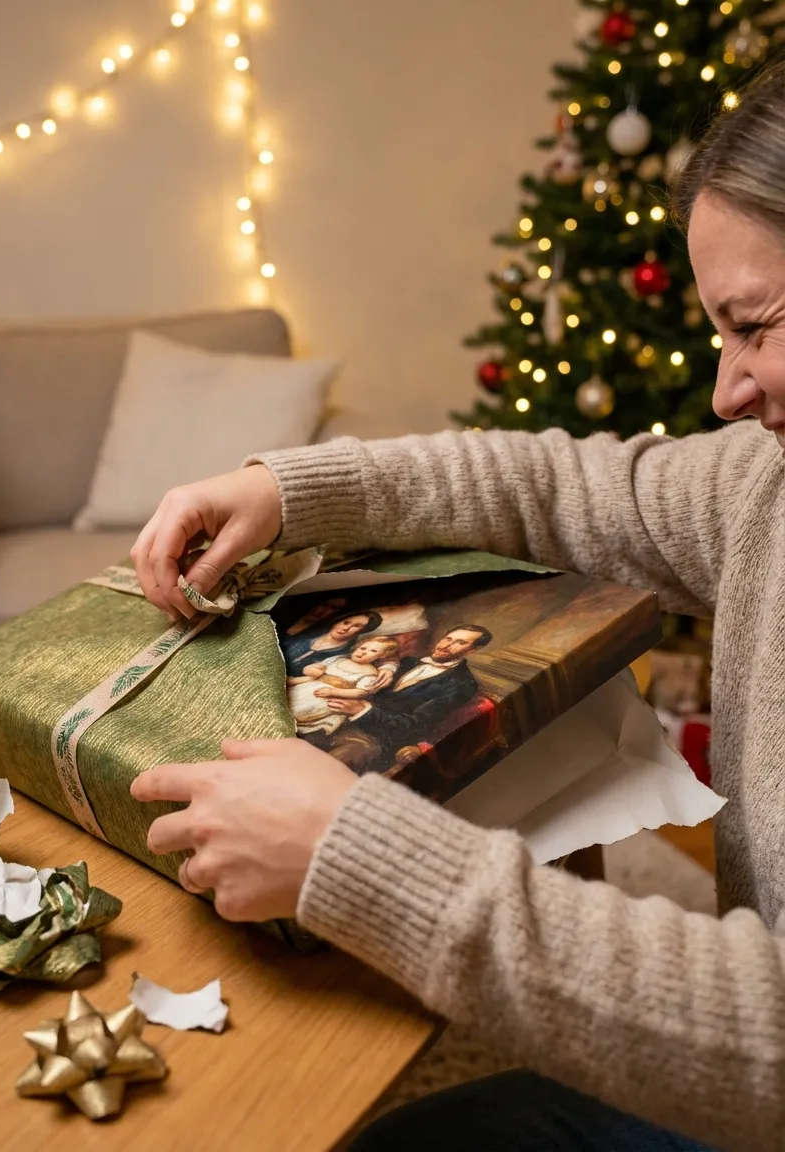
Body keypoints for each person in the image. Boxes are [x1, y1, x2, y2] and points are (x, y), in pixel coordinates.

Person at [128, 61, 785, 1152]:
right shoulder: (762, 483)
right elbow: (554, 485)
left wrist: (362, 859)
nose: (725, 390)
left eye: (755, 325)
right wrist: (290, 491)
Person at [317, 624, 490, 772]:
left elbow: (414, 725)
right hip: (340, 719)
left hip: (378, 740)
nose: (446, 645)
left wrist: (363, 711)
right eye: (448, 638)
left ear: (473, 649)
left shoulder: (463, 684)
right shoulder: (408, 661)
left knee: (339, 760)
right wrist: (389, 666)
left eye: (460, 643)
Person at [286, 634, 401, 737]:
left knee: (300, 709)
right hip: (309, 686)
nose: (363, 652)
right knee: (289, 696)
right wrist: (310, 670)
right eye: (363, 648)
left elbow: (361, 692)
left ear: (381, 656)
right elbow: (316, 671)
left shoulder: (370, 673)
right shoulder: (339, 659)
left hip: (326, 698)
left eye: (373, 651)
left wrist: (333, 692)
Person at [283, 609, 382, 667]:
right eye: (346, 622)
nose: (346, 628)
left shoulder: (349, 652)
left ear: (363, 631)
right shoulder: (310, 631)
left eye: (356, 626)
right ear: (338, 621)